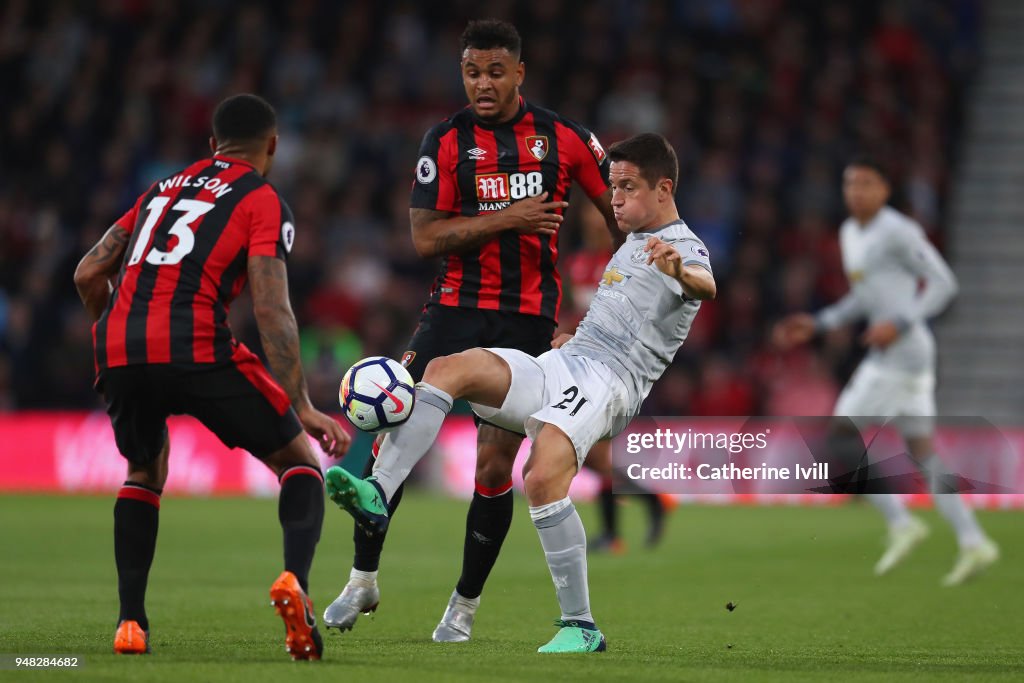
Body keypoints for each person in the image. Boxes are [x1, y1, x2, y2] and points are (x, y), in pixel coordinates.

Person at [326, 132, 715, 652]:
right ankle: (379, 489)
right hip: (568, 362)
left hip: (610, 383)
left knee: (540, 473)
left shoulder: (682, 246)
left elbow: (704, 285)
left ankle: (580, 626)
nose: (614, 199)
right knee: (448, 369)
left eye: (626, 188)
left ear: (664, 189)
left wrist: (679, 272)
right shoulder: (631, 241)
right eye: (612, 187)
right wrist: (578, 336)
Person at [323, 19, 619, 642]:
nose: (482, 85)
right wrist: (510, 217)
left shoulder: (564, 139)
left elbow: (622, 220)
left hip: (532, 320)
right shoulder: (446, 141)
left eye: (494, 72)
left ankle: (462, 608)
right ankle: (361, 581)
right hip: (453, 310)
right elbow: (425, 238)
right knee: (389, 444)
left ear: (518, 73)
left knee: (493, 467)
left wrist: (596, 319)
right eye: (471, 72)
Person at [73, 94, 350, 658]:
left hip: (120, 345)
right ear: (271, 146)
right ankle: (295, 582)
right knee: (299, 461)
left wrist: (114, 329)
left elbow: (88, 272)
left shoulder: (160, 189)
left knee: (144, 471)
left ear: (211, 146)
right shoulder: (261, 197)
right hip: (193, 340)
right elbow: (272, 308)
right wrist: (301, 402)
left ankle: (130, 624)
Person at [773, 156, 999, 585]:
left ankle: (900, 522)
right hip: (904, 356)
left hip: (902, 353)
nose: (856, 191)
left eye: (866, 184)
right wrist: (820, 322)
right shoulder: (850, 233)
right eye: (849, 183)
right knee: (922, 450)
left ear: (885, 190)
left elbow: (944, 283)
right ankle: (973, 540)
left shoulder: (899, 231)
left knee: (840, 435)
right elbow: (865, 298)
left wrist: (900, 322)